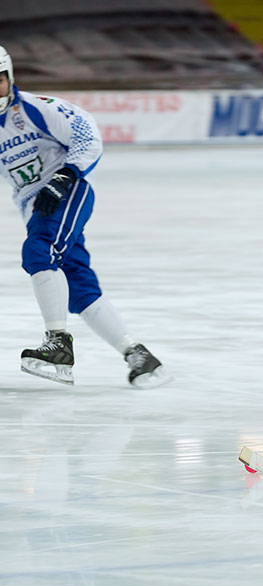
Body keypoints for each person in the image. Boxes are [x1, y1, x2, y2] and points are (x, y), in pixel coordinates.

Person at [0, 46, 170, 388]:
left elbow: (85, 133)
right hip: (35, 209)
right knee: (77, 285)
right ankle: (138, 355)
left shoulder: (33, 109)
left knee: (40, 251)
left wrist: (66, 175)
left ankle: (59, 342)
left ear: (11, 78)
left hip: (68, 192)